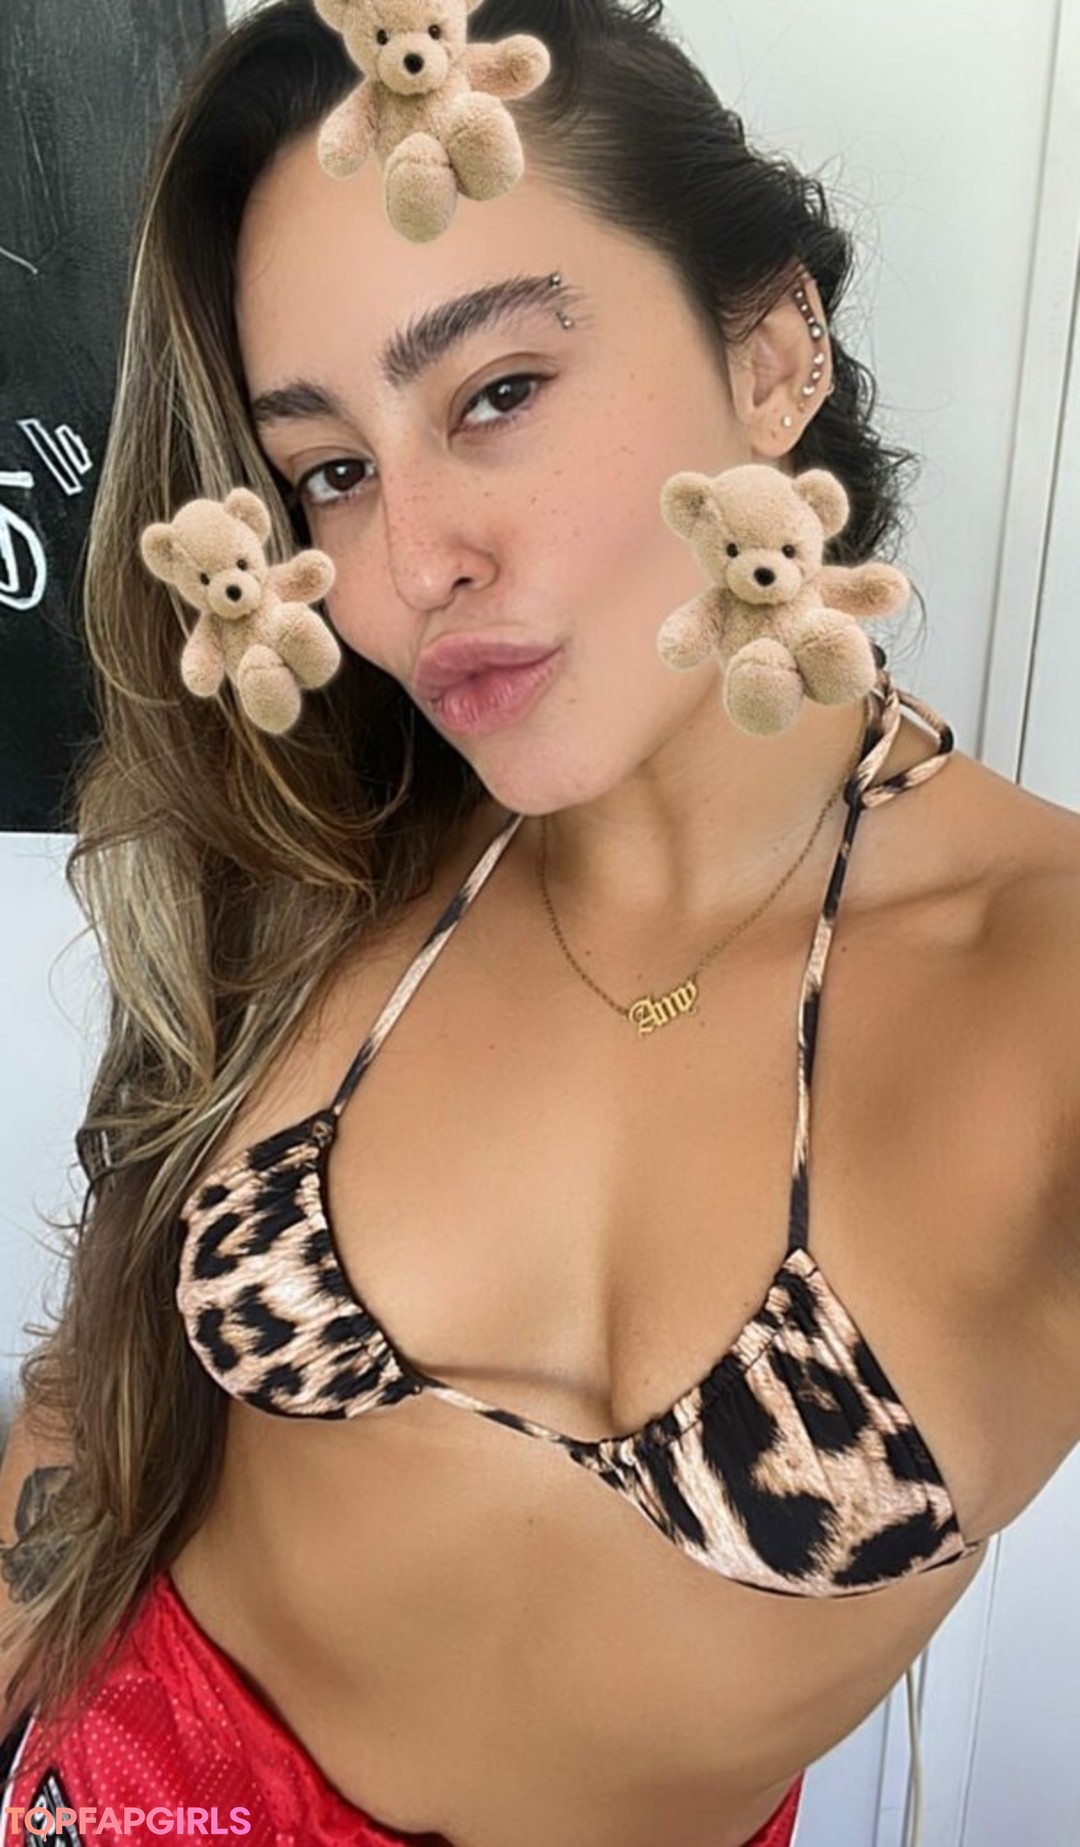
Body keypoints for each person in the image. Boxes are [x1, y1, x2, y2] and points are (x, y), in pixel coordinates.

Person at [2, 1, 1080, 1843]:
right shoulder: (330, 855)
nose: (412, 560)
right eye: (332, 469)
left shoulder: (1040, 987)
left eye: (496, 391)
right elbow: (94, 1393)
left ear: (773, 356)